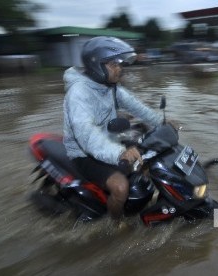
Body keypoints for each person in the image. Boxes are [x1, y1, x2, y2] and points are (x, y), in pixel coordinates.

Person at [62, 36, 164, 220]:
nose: (120, 69)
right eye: (113, 64)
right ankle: (116, 223)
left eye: (120, 64)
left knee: (148, 159)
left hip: (108, 141)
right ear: (97, 66)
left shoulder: (109, 87)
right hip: (83, 152)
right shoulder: (79, 93)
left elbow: (135, 105)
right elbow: (86, 134)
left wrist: (161, 121)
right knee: (121, 187)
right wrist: (119, 153)